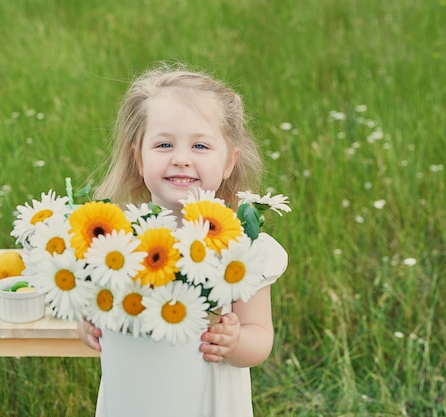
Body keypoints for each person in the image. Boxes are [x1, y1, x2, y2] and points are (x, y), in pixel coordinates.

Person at [77, 62, 288, 417]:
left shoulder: (242, 250)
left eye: (200, 146)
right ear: (138, 160)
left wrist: (235, 342)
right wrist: (88, 325)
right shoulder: (115, 241)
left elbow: (260, 338)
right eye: (163, 144)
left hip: (207, 402)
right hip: (132, 399)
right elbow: (100, 305)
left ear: (228, 163)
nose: (181, 159)